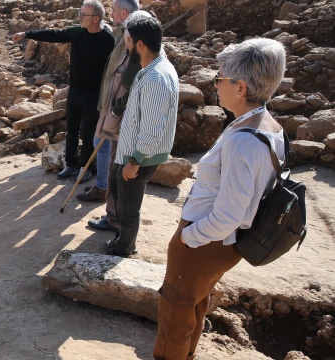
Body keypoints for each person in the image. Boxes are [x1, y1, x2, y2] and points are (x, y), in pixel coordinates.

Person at [153, 38, 287, 360]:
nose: (216, 85)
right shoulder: (269, 126)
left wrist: (187, 237)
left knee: (175, 307)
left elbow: (228, 214)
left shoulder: (242, 142)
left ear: (240, 87)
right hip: (225, 242)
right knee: (194, 301)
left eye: (220, 78)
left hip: (206, 241)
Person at [10, 0, 114, 180]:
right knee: (72, 130)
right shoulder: (78, 32)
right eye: (80, 14)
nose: (79, 17)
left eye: (83, 15)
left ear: (96, 19)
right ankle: (71, 165)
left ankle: (85, 168)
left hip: (93, 94)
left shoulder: (107, 39)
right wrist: (27, 34)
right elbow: (54, 34)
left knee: (88, 133)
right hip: (75, 91)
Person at [106, 17, 178, 257]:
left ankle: (124, 249)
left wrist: (134, 161)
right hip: (132, 152)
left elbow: (153, 127)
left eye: (128, 42)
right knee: (121, 194)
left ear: (140, 45)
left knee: (128, 209)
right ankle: (123, 241)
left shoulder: (156, 78)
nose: (126, 47)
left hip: (140, 156)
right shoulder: (151, 69)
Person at [77, 0, 141, 208]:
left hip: (117, 105)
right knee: (103, 145)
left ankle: (104, 192)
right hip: (110, 102)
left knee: (105, 147)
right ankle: (104, 190)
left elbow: (126, 76)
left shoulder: (132, 37)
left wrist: (116, 107)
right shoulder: (121, 32)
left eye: (113, 10)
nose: (110, 13)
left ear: (123, 12)